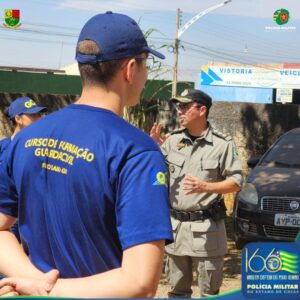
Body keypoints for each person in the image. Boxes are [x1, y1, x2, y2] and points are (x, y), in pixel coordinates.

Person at [0, 12, 172, 297]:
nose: (146, 75)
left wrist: (35, 282)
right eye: (146, 64)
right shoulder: (137, 151)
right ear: (130, 69)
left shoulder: (25, 139)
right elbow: (141, 282)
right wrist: (49, 290)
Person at [151, 88, 243, 298]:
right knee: (176, 292)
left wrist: (206, 187)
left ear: (202, 110)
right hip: (176, 230)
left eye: (185, 106)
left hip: (207, 232)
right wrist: (155, 147)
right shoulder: (174, 140)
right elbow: (160, 171)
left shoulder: (222, 144)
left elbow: (236, 182)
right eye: (179, 107)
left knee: (210, 293)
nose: (179, 111)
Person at [0, 96, 47, 164]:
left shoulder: (41, 147)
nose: (39, 118)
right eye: (33, 114)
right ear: (18, 119)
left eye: (39, 114)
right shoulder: (3, 147)